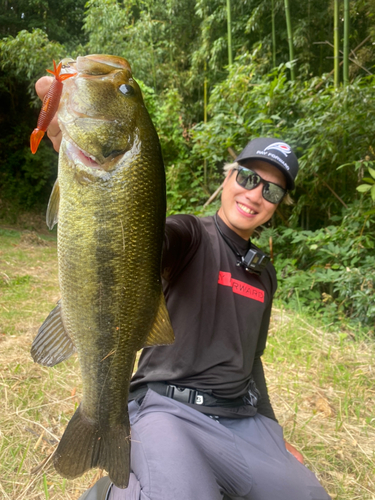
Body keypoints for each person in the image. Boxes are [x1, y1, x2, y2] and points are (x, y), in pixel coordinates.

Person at [36, 77, 331, 500]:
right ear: (228, 177)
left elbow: (253, 362)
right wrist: (85, 166)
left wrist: (273, 433)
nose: (255, 194)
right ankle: (115, 491)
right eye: (248, 177)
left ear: (278, 205)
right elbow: (135, 243)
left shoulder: (265, 274)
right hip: (168, 408)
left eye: (272, 189)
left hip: (241, 421)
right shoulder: (189, 234)